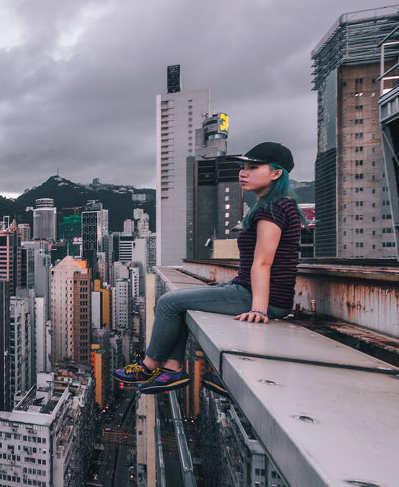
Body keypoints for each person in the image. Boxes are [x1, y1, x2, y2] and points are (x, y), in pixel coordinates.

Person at [115, 141, 305, 394]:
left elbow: (263, 261)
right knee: (177, 304)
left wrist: (259, 308)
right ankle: (172, 368)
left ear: (276, 173)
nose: (243, 172)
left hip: (258, 296)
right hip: (247, 288)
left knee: (168, 303)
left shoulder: (275, 207)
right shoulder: (275, 205)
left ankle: (149, 365)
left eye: (254, 167)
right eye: (243, 167)